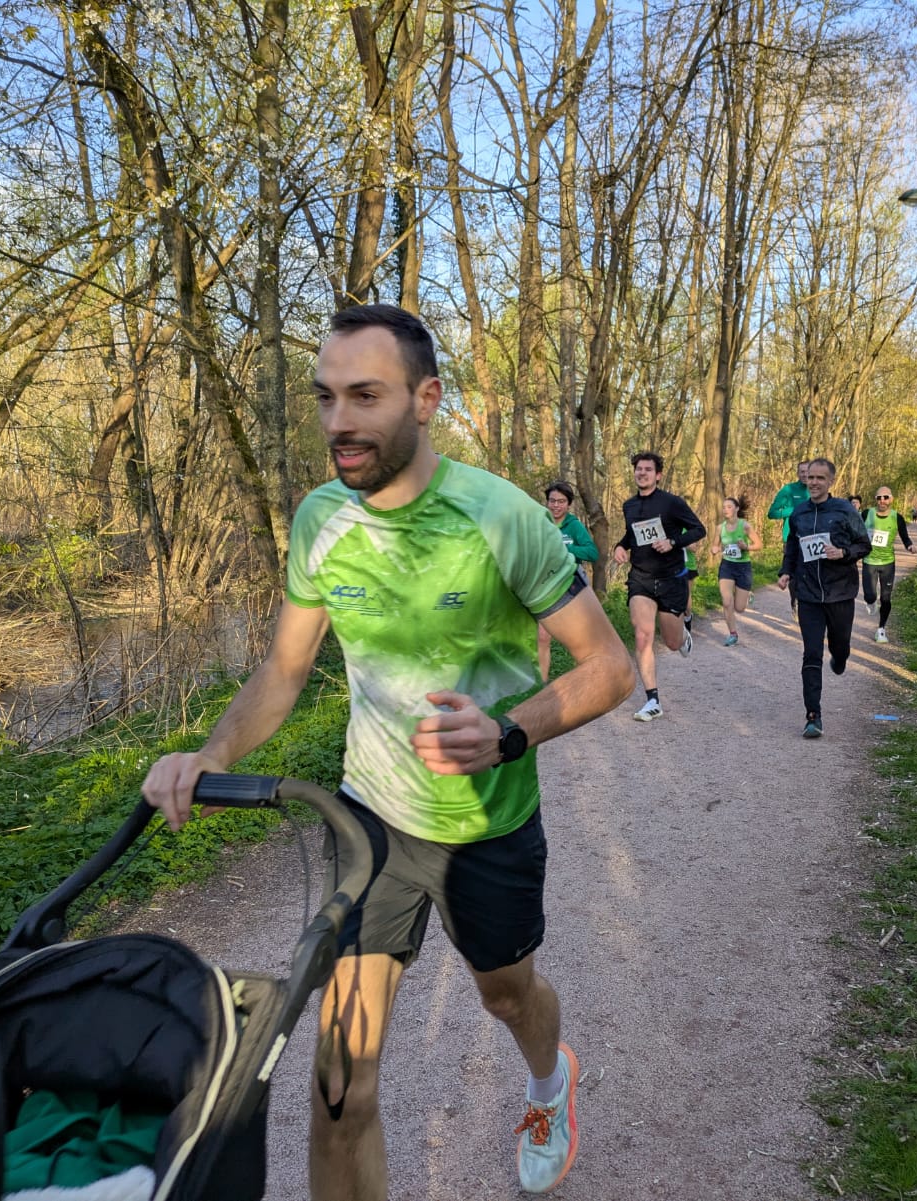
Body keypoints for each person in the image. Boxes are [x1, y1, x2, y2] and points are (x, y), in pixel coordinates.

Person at [140, 305, 634, 1200]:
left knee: (506, 995)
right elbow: (284, 670)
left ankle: (546, 1079)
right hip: (369, 822)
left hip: (487, 824)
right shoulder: (320, 517)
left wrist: (507, 731)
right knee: (340, 1087)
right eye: (326, 397)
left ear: (426, 398)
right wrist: (211, 751)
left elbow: (611, 666)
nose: (339, 420)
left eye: (365, 396)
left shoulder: (503, 517)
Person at [776, 457, 871, 739]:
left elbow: (864, 544)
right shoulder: (799, 513)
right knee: (812, 653)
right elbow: (792, 547)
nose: (814, 482)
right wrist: (785, 572)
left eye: (820, 478)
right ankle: (813, 716)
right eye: (811, 477)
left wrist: (843, 553)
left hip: (839, 592)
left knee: (840, 646)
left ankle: (840, 658)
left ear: (830, 481)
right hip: (808, 594)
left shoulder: (844, 510)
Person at [612, 451, 705, 721]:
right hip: (640, 578)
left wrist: (672, 542)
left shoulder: (672, 503)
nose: (642, 473)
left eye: (648, 469)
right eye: (638, 469)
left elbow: (699, 530)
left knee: (672, 643)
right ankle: (653, 700)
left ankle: (684, 632)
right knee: (643, 636)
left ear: (658, 475)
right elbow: (631, 534)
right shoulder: (629, 505)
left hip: (671, 579)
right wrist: (620, 546)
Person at [538, 481, 599, 680]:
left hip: (571, 584)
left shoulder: (574, 526)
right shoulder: (541, 522)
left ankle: (584, 678)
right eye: (552, 501)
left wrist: (565, 549)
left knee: (577, 637)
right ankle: (542, 686)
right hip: (546, 583)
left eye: (561, 501)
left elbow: (592, 553)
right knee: (543, 637)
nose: (556, 505)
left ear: (569, 504)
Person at [862, 486, 913, 643]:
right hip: (869, 561)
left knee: (886, 598)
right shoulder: (867, 514)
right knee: (870, 596)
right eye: (879, 498)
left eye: (885, 497)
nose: (882, 500)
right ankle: (871, 602)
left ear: (891, 499)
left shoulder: (897, 517)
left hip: (887, 563)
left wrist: (909, 546)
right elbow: (856, 531)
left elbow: (904, 536)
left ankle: (881, 629)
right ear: (876, 500)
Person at [711, 495, 762, 645]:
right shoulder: (720, 528)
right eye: (724, 507)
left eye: (729, 507)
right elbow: (715, 545)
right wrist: (714, 549)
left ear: (737, 509)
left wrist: (746, 547)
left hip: (743, 567)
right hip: (727, 566)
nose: (725, 510)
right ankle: (733, 634)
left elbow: (759, 545)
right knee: (727, 602)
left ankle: (746, 595)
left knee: (739, 608)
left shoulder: (745, 526)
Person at [766, 460, 811, 544]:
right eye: (802, 472)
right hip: (791, 539)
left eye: (808, 471)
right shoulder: (788, 489)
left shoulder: (817, 490)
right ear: (798, 474)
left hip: (812, 538)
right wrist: (793, 510)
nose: (805, 475)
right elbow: (771, 513)